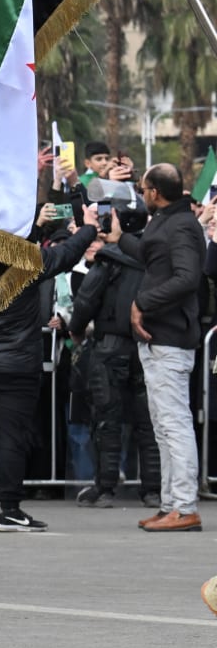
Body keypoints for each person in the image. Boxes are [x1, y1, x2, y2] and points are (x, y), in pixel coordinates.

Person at [0, 201, 99, 532]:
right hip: (17, 364)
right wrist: (87, 228)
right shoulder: (25, 261)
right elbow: (67, 254)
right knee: (13, 436)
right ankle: (10, 509)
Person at [123, 164, 205, 532]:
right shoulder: (166, 221)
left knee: (174, 425)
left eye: (143, 189)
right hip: (158, 339)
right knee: (163, 426)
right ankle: (171, 502)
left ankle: (185, 505)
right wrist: (116, 240)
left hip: (170, 336)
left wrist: (143, 302)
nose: (141, 195)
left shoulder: (183, 225)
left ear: (155, 191)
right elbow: (149, 255)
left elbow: (187, 278)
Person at [67, 202, 161, 507]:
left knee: (108, 419)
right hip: (147, 344)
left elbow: (85, 301)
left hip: (110, 345)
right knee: (148, 421)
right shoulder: (153, 259)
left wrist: (77, 330)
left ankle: (106, 487)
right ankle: (152, 489)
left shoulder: (107, 261)